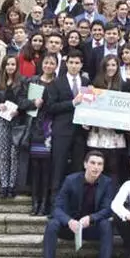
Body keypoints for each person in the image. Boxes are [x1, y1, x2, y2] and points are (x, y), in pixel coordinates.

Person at [36, 150, 114, 258]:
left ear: (103, 167)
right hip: (70, 227)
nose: (96, 167)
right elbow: (57, 207)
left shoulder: (107, 183)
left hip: (91, 227)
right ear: (85, 164)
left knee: (106, 225)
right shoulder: (70, 180)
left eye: (99, 164)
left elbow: (108, 209)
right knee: (52, 224)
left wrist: (91, 218)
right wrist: (69, 221)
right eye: (92, 163)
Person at [44, 50, 90, 195]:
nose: (74, 66)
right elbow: (50, 107)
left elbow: (90, 106)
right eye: (71, 62)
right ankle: (55, 201)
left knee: (78, 168)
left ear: (81, 65)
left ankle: (75, 201)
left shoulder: (87, 83)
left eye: (77, 63)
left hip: (80, 132)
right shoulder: (57, 82)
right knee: (58, 167)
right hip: (62, 131)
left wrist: (89, 121)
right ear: (66, 64)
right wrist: (72, 103)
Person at [86, 55, 128, 185]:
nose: (110, 68)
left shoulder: (124, 86)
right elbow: (87, 109)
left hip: (115, 136)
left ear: (118, 67)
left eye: (113, 65)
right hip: (97, 135)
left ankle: (112, 196)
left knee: (113, 170)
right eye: (108, 65)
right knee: (96, 168)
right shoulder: (94, 85)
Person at [27, 55, 57, 216]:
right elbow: (22, 102)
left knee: (47, 169)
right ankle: (35, 203)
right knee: (35, 167)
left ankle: (44, 203)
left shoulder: (58, 83)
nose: (48, 66)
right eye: (46, 62)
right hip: (35, 128)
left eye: (52, 63)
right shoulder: (33, 81)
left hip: (50, 129)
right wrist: (33, 103)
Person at [0, 55, 28, 199]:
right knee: (4, 153)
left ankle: (12, 186)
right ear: (4, 66)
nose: (10, 67)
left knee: (14, 154)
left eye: (13, 64)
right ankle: (4, 185)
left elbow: (25, 101)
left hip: (16, 121)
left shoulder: (22, 81)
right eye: (7, 64)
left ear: (17, 66)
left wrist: (19, 110)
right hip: (2, 120)